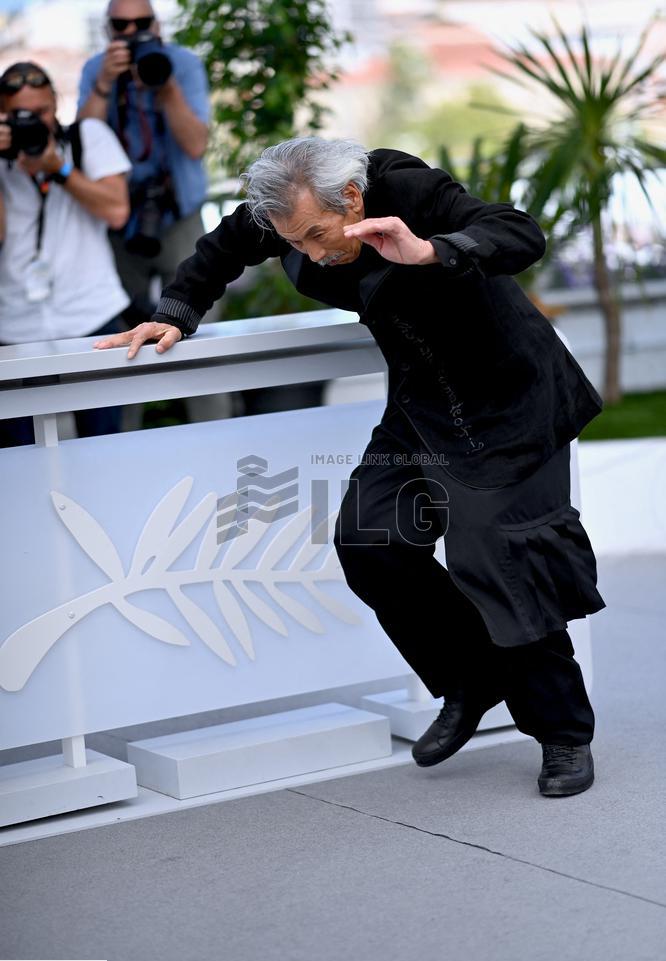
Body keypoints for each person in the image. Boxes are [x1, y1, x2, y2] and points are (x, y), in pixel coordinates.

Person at [92, 136, 608, 798]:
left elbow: (517, 233)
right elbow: (220, 250)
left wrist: (432, 250)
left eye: (314, 235)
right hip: (422, 403)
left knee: (501, 560)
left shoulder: (408, 189)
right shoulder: (283, 211)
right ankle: (470, 678)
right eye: (293, 242)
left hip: (510, 398)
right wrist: (174, 314)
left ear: (354, 199)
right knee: (370, 539)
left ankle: (564, 733)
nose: (307, 251)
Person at [0, 61, 131, 446]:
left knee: (105, 446)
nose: (33, 123)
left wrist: (60, 169)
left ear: (55, 103)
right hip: (15, 325)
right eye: (18, 115)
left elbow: (117, 211)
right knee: (18, 458)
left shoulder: (87, 136)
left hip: (92, 317)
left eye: (40, 112)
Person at [77, 0, 215, 327]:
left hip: (179, 211)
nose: (131, 33)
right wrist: (104, 85)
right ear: (107, 29)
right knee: (124, 324)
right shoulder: (97, 69)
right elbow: (82, 142)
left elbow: (195, 145)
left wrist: (166, 88)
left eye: (141, 24)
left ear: (156, 26)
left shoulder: (182, 64)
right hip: (122, 216)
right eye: (120, 25)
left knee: (197, 316)